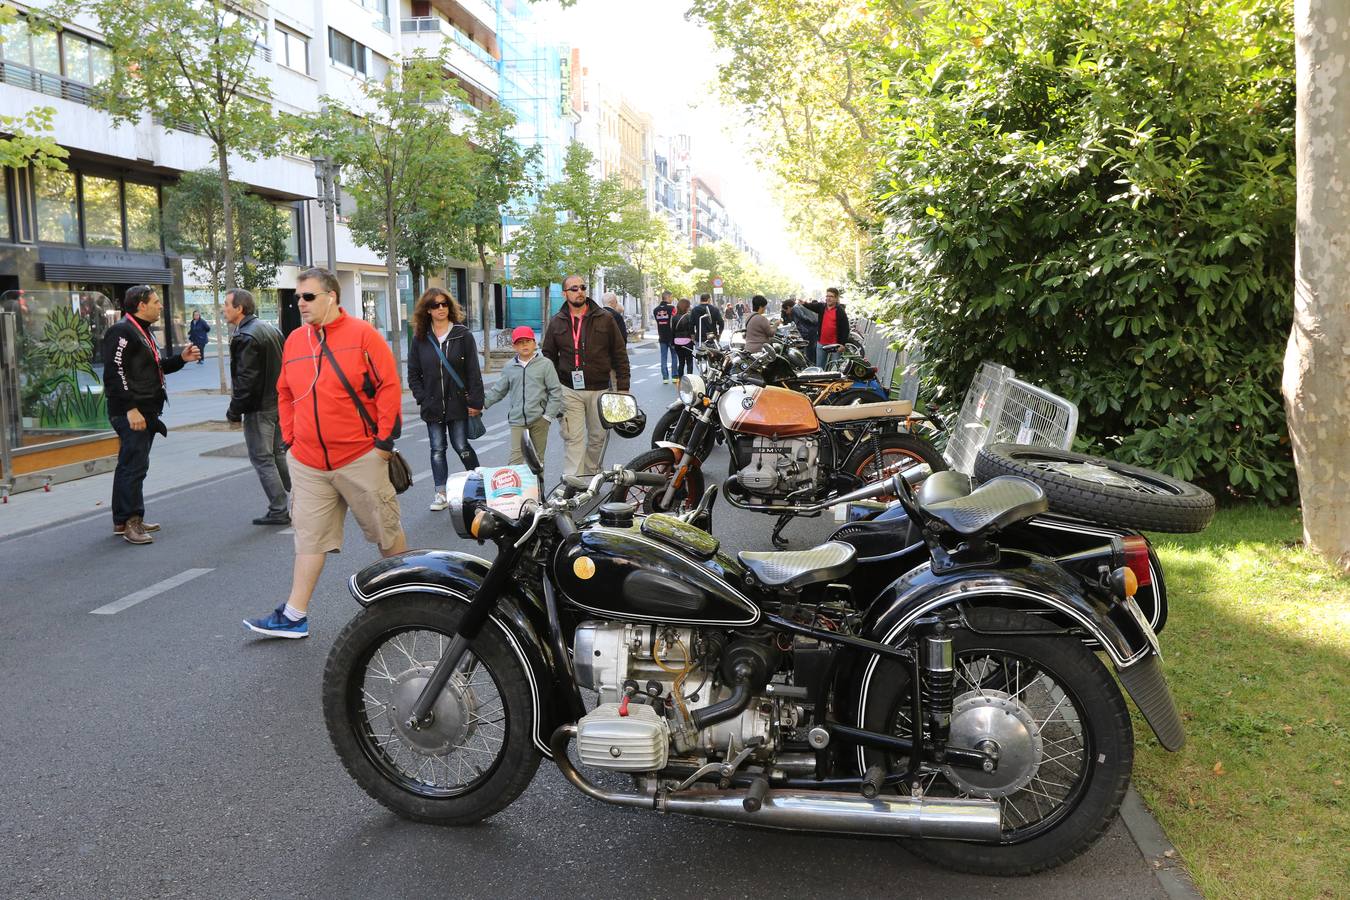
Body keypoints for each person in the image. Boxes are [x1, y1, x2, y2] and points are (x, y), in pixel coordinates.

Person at [244, 267, 405, 640]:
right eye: (298, 297)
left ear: (331, 296)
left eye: (308, 296)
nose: (300, 303)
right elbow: (284, 392)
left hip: (360, 456)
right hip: (309, 462)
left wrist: (382, 444)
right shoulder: (296, 341)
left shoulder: (364, 336)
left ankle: (407, 598)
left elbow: (388, 387)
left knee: (386, 531)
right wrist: (291, 440)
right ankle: (294, 614)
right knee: (309, 539)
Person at [102, 285, 201, 544]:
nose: (161, 306)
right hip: (132, 412)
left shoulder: (142, 331)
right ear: (141, 305)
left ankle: (124, 519)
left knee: (133, 465)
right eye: (156, 302)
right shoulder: (122, 331)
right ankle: (131, 523)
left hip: (145, 411)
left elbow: (155, 368)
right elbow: (115, 373)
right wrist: (130, 409)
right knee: (133, 467)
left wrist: (180, 359)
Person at [541, 275, 631, 477]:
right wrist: (551, 387)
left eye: (582, 287)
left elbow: (619, 353)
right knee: (573, 437)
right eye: (574, 288)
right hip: (568, 389)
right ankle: (573, 480)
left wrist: (623, 387)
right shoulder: (557, 322)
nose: (580, 291)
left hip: (600, 388)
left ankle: (591, 476)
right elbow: (548, 357)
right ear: (565, 294)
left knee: (598, 437)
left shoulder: (605, 318)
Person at [407, 287, 483, 512]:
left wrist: (475, 403)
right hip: (432, 405)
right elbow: (413, 373)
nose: (440, 308)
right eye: (435, 305)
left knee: (461, 446)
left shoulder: (462, 335)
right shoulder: (420, 338)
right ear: (427, 310)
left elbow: (473, 372)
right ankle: (441, 493)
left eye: (444, 304)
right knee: (437, 449)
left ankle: (479, 487)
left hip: (458, 402)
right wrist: (422, 397)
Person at [223, 288, 290, 525]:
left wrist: (234, 412)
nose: (224, 309)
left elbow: (246, 380)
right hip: (276, 402)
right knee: (277, 453)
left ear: (239, 308)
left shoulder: (245, 336)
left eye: (227, 305)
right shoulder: (269, 329)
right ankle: (299, 498)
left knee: (262, 458)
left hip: (259, 407)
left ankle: (279, 508)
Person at [483, 326, 563, 468]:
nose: (524, 345)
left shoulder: (545, 365)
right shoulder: (509, 367)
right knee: (515, 460)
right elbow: (499, 390)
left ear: (534, 343)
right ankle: (515, 490)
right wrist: (482, 404)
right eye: (520, 342)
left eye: (527, 341)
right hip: (517, 420)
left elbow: (555, 391)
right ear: (514, 346)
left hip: (539, 420)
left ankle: (539, 490)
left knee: (537, 461)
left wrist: (548, 416)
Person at [802, 287, 850, 368]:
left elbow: (845, 329)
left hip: (835, 345)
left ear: (836, 298)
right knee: (819, 368)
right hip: (821, 343)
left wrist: (842, 344)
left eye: (831, 296)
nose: (828, 298)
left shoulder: (840, 311)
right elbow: (812, 306)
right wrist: (804, 303)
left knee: (835, 368)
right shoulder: (822, 307)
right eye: (827, 296)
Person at [652, 291, 675, 383]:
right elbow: (674, 321)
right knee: (674, 356)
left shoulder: (655, 310)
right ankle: (674, 376)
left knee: (663, 357)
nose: (672, 299)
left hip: (661, 336)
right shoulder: (672, 308)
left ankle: (665, 377)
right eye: (671, 297)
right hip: (671, 336)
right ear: (668, 297)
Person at [671, 297, 695, 379]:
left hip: (677, 342)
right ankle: (690, 379)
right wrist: (694, 339)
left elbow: (672, 331)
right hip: (687, 342)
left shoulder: (674, 317)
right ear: (687, 307)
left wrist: (672, 343)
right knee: (689, 361)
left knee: (681, 362)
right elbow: (691, 330)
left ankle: (680, 379)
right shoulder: (689, 317)